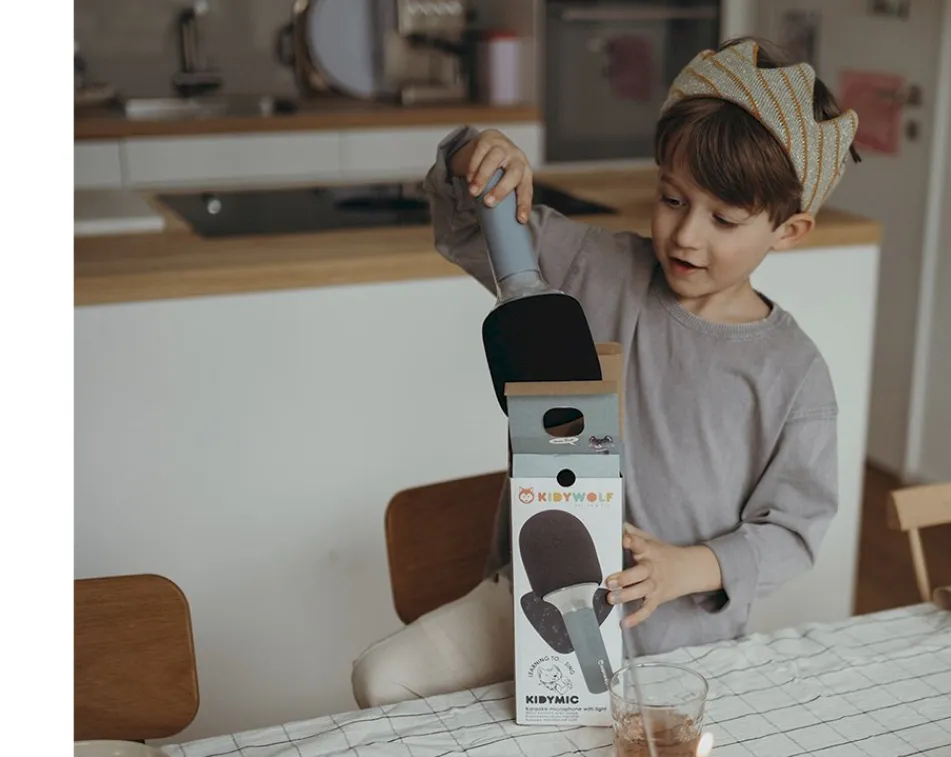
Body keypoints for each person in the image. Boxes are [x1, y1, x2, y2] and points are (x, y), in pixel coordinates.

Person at [351, 37, 860, 708]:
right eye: (672, 198)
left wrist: (689, 568)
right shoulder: (591, 267)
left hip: (682, 640)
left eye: (724, 218)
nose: (686, 236)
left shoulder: (793, 374)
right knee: (382, 677)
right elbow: (471, 229)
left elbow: (792, 532)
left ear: (789, 230)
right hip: (533, 603)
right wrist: (476, 158)